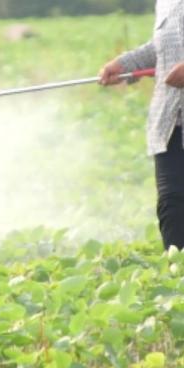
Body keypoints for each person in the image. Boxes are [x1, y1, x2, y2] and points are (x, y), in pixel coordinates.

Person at [99, 1, 184, 250]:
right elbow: (161, 49)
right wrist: (124, 65)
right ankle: (178, 278)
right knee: (173, 208)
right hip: (170, 125)